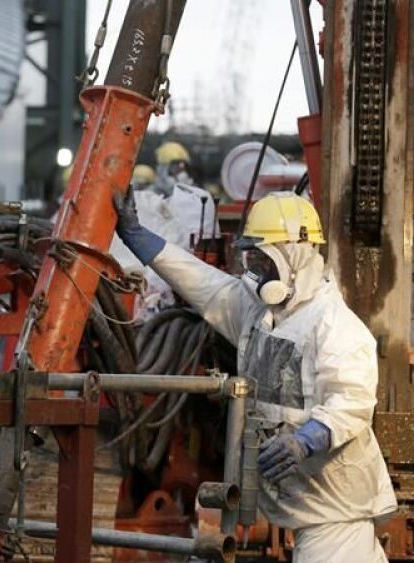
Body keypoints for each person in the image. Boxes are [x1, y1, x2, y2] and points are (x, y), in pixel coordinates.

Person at [114, 190, 396, 562]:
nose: (258, 271)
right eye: (254, 259)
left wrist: (306, 440)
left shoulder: (334, 325)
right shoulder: (259, 310)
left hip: (336, 507)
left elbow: (353, 401)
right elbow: (202, 283)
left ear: (294, 256)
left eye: (265, 260)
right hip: (302, 501)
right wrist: (138, 237)